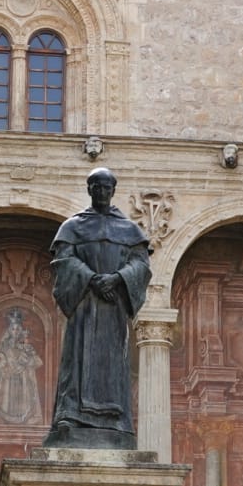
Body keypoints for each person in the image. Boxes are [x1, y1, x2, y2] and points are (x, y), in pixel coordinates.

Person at [44, 168, 152, 450]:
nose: (102, 192)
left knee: (114, 363)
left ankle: (116, 422)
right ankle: (70, 416)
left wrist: (117, 278)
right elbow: (63, 261)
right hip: (85, 302)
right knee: (77, 360)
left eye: (106, 187)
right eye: (96, 187)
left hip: (112, 304)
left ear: (113, 191)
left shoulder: (129, 229)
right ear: (89, 189)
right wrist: (91, 279)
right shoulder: (73, 226)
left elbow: (141, 263)